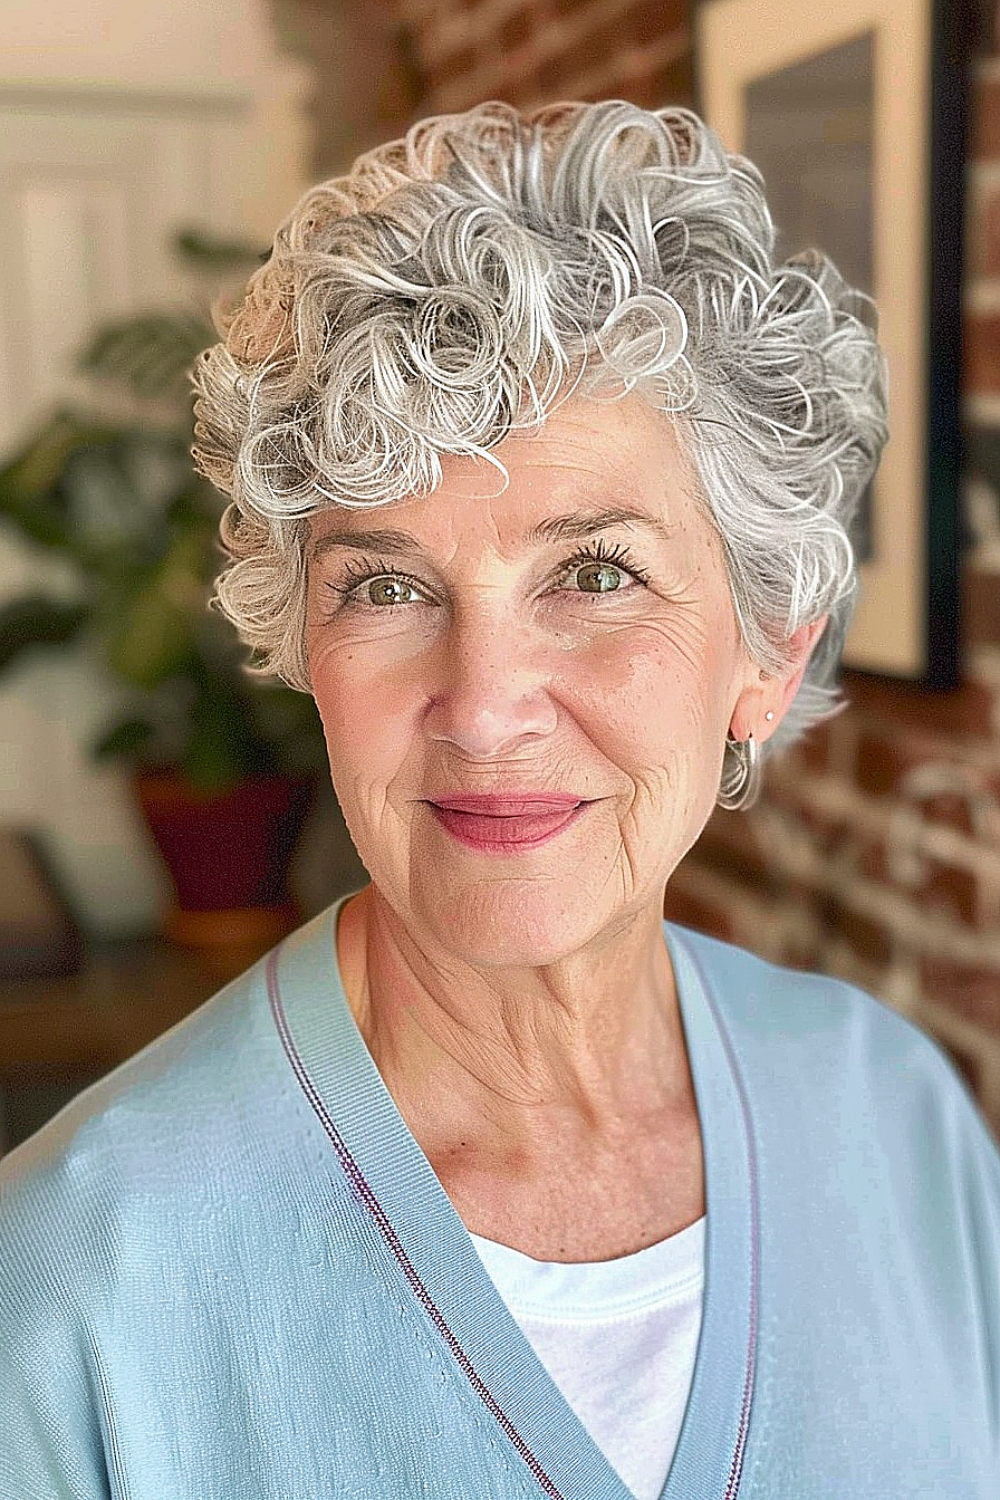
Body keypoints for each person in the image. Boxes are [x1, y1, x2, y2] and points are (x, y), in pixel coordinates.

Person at [1, 99, 998, 1500]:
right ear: (305, 651)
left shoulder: (894, 1118)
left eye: (595, 574)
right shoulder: (65, 1286)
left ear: (768, 648)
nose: (484, 705)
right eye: (386, 587)